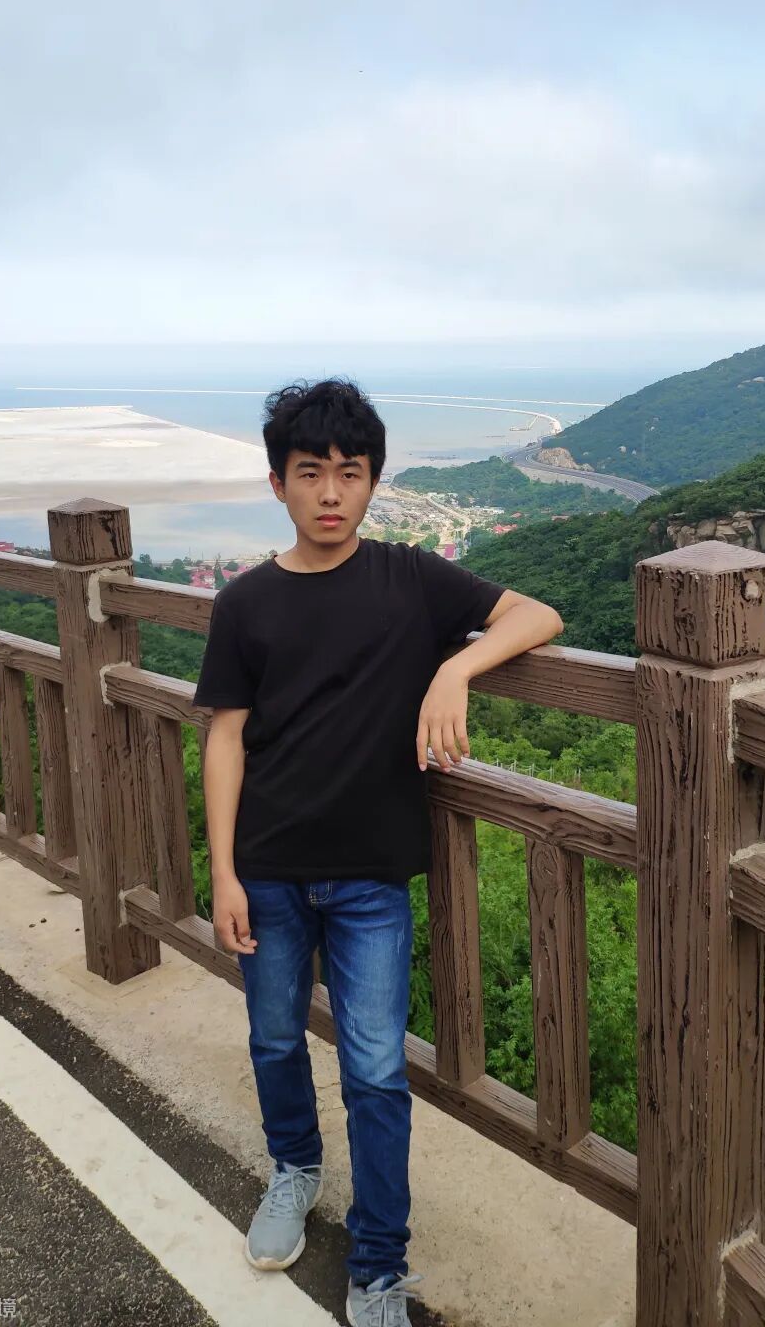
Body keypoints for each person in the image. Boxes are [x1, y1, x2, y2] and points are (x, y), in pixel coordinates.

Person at [192, 377, 564, 1327]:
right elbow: (226, 739)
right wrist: (224, 871)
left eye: (350, 473)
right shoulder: (245, 604)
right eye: (309, 472)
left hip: (370, 879)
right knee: (275, 1038)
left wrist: (455, 666)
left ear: (373, 481)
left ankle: (379, 1264)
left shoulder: (412, 580)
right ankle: (294, 1167)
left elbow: (537, 616)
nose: (330, 492)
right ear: (277, 482)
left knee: (374, 1072)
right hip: (268, 868)